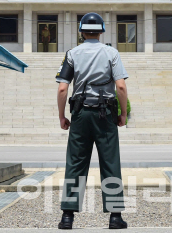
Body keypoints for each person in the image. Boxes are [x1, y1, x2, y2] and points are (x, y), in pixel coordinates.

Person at [56, 13, 129, 230]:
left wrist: (62, 116)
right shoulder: (111, 53)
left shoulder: (72, 54)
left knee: (76, 163)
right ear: (101, 31)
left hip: (80, 115)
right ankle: (115, 217)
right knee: (110, 163)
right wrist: (123, 113)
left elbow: (62, 88)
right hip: (105, 115)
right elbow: (121, 87)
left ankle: (67, 217)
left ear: (81, 31)